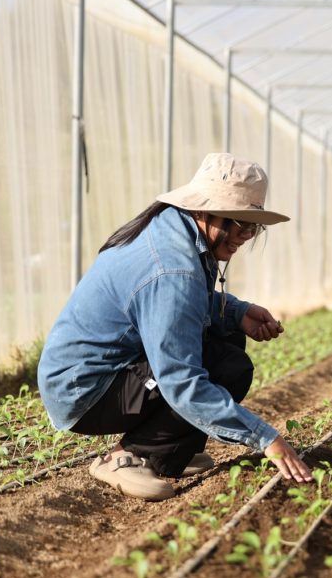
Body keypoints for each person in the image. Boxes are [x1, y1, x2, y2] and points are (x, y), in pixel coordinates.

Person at [38, 152, 313, 501]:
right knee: (227, 368)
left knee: (226, 338)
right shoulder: (172, 268)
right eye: (240, 222)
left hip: (99, 375)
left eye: (253, 226)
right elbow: (181, 382)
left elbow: (171, 306)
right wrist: (265, 437)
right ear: (204, 210)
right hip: (87, 390)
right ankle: (127, 456)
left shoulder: (173, 230)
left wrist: (235, 313)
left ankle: (170, 449)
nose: (246, 235)